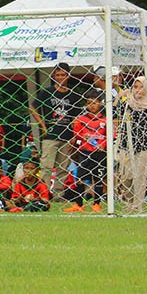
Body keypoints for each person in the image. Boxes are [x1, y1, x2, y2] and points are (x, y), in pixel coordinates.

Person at [29, 62, 86, 202]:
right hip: (50, 135)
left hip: (67, 135)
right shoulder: (47, 92)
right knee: (46, 166)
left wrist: (75, 134)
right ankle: (43, 194)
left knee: (63, 167)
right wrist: (42, 125)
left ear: (68, 76)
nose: (60, 77)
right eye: (58, 75)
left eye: (63, 75)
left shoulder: (73, 95)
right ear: (54, 76)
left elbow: (76, 117)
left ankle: (58, 195)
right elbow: (32, 107)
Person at [116, 76, 147, 210]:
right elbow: (116, 113)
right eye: (135, 87)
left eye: (141, 87)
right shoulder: (128, 104)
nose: (138, 90)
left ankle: (137, 205)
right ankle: (129, 202)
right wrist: (121, 98)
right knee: (126, 176)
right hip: (127, 144)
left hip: (145, 146)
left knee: (139, 176)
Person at [65, 91, 110, 213]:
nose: (92, 105)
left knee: (98, 179)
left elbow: (111, 135)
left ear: (100, 103)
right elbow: (77, 135)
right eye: (89, 103)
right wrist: (82, 139)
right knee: (80, 178)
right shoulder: (81, 120)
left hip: (100, 154)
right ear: (86, 105)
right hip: (85, 153)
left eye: (95, 103)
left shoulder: (106, 120)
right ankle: (79, 204)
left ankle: (97, 204)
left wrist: (103, 144)